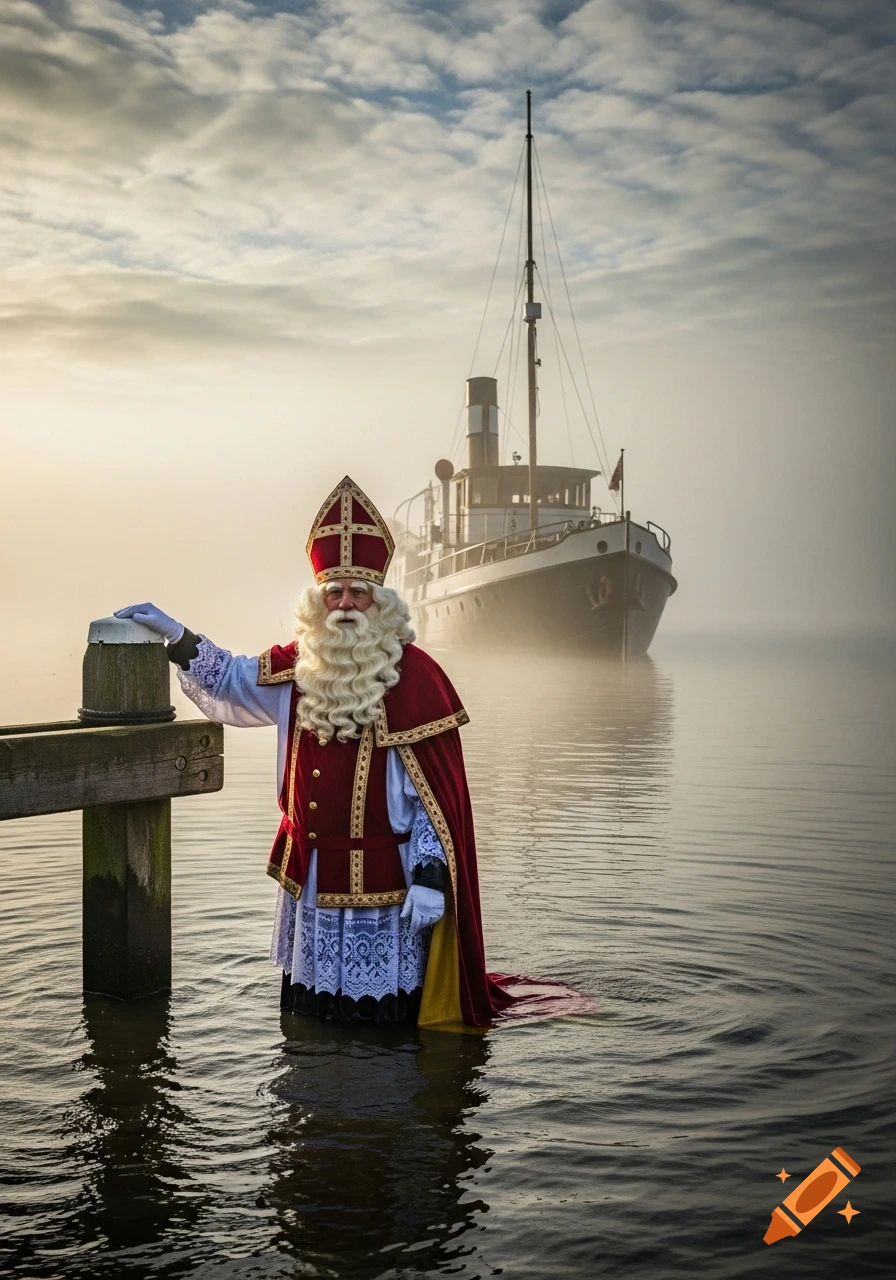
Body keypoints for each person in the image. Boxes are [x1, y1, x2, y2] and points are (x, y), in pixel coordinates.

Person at [116, 476, 515, 1030]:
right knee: (313, 1020)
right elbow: (229, 681)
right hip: (315, 874)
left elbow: (434, 800)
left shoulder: (416, 679)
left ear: (380, 600)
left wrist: (429, 874)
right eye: (335, 591)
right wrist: (178, 637)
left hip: (390, 883)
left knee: (384, 1027)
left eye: (358, 592)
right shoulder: (297, 668)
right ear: (318, 599)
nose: (346, 604)